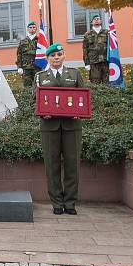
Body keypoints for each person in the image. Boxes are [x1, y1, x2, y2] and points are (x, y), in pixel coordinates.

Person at [35, 43, 85, 216]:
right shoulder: (41, 76)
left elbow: (82, 97)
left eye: (59, 54)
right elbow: (36, 99)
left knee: (72, 165)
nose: (56, 58)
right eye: (53, 55)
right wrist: (42, 114)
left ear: (64, 56)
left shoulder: (75, 74)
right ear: (47, 58)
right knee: (52, 165)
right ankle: (57, 202)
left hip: (72, 126)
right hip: (50, 127)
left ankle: (70, 203)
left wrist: (80, 112)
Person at [82, 14, 108, 84]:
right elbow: (85, 49)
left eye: (98, 19)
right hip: (94, 62)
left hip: (105, 61)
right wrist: (86, 63)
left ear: (101, 21)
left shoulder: (107, 33)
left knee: (107, 83)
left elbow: (111, 47)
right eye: (94, 19)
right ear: (91, 22)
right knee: (95, 83)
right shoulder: (87, 34)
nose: (96, 20)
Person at [15, 21, 39, 87]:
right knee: (27, 87)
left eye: (34, 27)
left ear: (36, 29)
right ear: (28, 29)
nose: (32, 29)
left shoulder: (40, 40)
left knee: (37, 86)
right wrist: (19, 67)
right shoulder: (23, 41)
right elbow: (19, 55)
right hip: (26, 68)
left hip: (37, 67)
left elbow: (44, 53)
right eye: (30, 27)